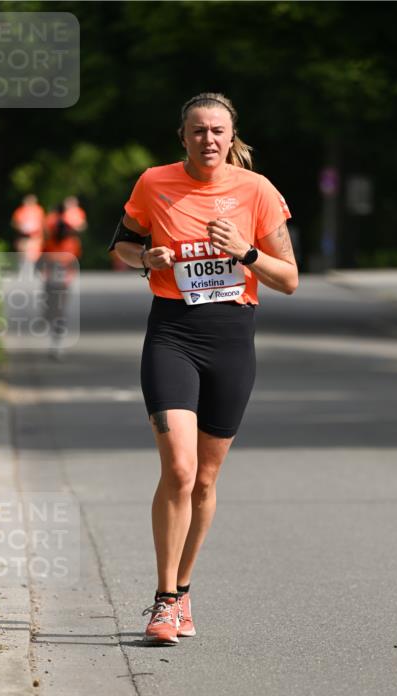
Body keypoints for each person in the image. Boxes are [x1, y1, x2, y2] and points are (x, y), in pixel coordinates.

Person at [110, 91, 298, 645]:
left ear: (231, 137)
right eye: (198, 131)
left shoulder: (257, 191)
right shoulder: (154, 183)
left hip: (232, 341)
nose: (208, 139)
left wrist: (245, 251)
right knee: (181, 469)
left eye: (218, 131)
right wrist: (145, 258)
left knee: (207, 479)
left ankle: (184, 591)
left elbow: (288, 279)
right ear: (183, 137)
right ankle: (164, 601)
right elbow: (119, 245)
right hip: (172, 333)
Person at [37, 202, 81, 357]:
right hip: (54, 280)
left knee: (58, 312)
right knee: (52, 311)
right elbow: (41, 260)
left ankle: (57, 343)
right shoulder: (51, 243)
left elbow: (74, 263)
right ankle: (55, 338)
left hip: (60, 281)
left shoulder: (70, 243)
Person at [11, 194, 45, 274]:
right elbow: (15, 223)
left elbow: (42, 223)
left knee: (34, 253)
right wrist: (20, 229)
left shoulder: (38, 210)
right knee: (22, 252)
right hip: (24, 236)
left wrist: (42, 235)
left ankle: (32, 269)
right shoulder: (20, 211)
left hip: (35, 235)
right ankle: (23, 269)